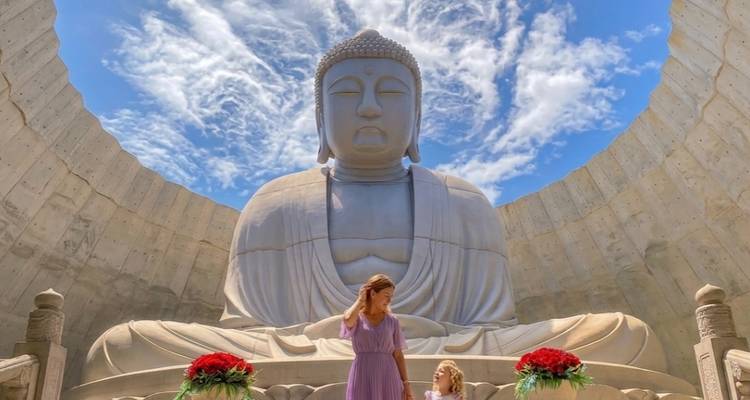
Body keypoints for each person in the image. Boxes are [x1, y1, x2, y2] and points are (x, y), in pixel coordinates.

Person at [341, 274, 413, 400]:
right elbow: (347, 320)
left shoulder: (392, 321)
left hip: (388, 376)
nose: (389, 300)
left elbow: (398, 355)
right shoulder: (357, 318)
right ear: (373, 293)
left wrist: (406, 385)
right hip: (363, 376)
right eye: (386, 295)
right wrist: (360, 300)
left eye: (391, 297)